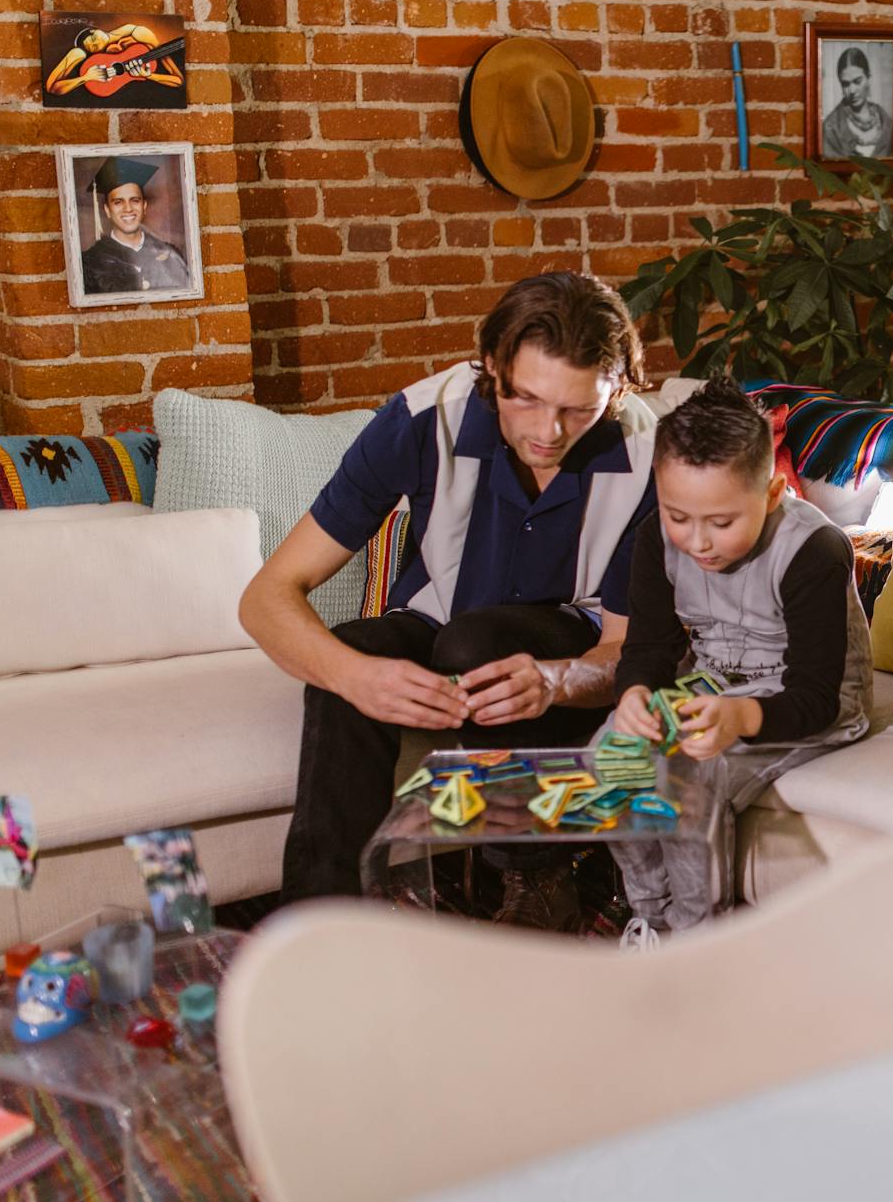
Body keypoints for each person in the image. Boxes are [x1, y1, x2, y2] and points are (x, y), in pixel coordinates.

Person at [241, 272, 660, 903]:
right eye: (526, 399)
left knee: (477, 643)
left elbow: (628, 651)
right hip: (438, 624)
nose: (549, 431)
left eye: (579, 408)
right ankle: (318, 921)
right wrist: (357, 677)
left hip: (570, 637)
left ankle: (533, 875)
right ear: (491, 366)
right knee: (352, 659)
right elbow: (267, 596)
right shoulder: (420, 418)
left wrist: (556, 680)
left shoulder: (650, 457)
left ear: (619, 389)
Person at [605, 378, 872, 942]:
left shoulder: (815, 551)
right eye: (679, 516)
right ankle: (652, 922)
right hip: (708, 681)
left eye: (721, 523)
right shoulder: (656, 538)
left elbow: (819, 697)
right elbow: (649, 648)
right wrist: (633, 695)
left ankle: (699, 941)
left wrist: (741, 718)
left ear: (773, 494)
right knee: (610, 758)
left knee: (687, 779)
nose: (697, 541)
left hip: (799, 702)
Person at [79, 156, 193, 296]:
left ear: (144, 206)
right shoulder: (91, 262)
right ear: (107, 210)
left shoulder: (170, 254)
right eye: (118, 202)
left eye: (134, 201)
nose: (128, 209)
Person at [44, 23, 184, 100]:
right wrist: (87, 77)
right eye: (93, 47)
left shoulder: (138, 33)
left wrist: (148, 76)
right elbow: (51, 88)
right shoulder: (82, 54)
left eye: (93, 39)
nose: (97, 43)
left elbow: (178, 80)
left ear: (94, 30)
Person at [820, 45, 893, 160]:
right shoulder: (831, 128)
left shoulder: (885, 121)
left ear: (868, 78)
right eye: (846, 84)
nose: (852, 90)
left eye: (857, 81)